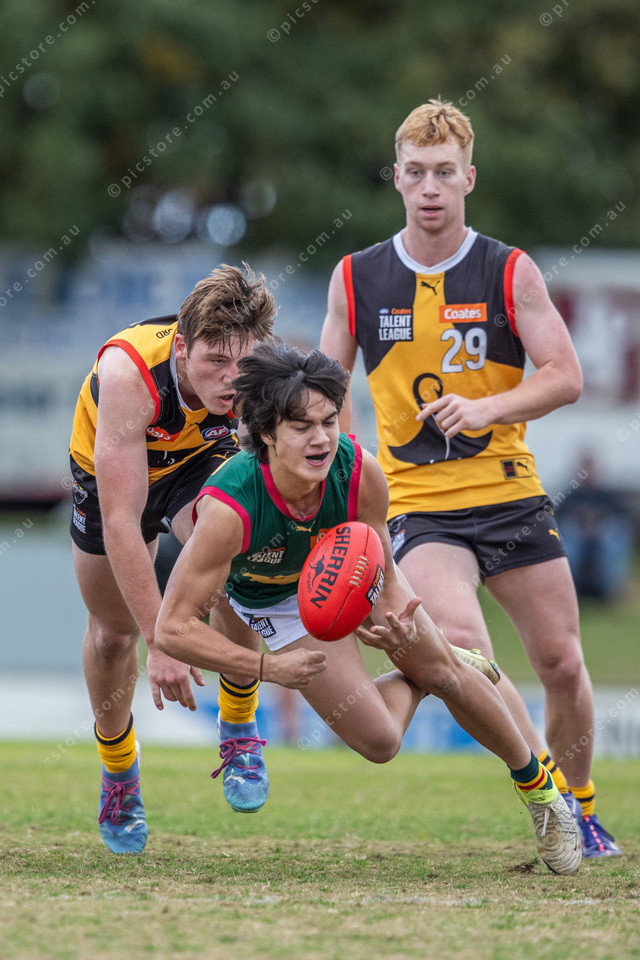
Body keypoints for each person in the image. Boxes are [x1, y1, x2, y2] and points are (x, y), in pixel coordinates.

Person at [155, 340, 581, 876]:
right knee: (380, 743)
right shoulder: (228, 506)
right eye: (302, 427)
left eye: (329, 421)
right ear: (266, 434)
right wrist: (269, 668)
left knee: (442, 671)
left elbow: (385, 567)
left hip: (350, 571)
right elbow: (172, 629)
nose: (321, 438)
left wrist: (399, 623)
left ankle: (542, 794)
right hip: (273, 600)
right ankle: (429, 668)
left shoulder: (359, 471)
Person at [320, 99, 620, 858]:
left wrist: (487, 407)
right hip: (419, 506)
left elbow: (565, 375)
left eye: (444, 173)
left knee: (562, 662)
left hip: (511, 493)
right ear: (396, 178)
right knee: (458, 647)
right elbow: (326, 390)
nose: (430, 187)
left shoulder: (508, 270)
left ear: (469, 179)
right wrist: (345, 475)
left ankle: (582, 806)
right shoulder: (357, 277)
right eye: (417, 172)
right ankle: (548, 799)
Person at [69, 263, 310, 854]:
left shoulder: (257, 376)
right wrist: (162, 642)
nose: (231, 379)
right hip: (113, 477)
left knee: (240, 565)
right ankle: (119, 771)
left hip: (197, 461)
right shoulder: (129, 374)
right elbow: (123, 521)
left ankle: (240, 727)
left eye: (243, 363)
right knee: (113, 635)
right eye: (215, 361)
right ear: (182, 347)